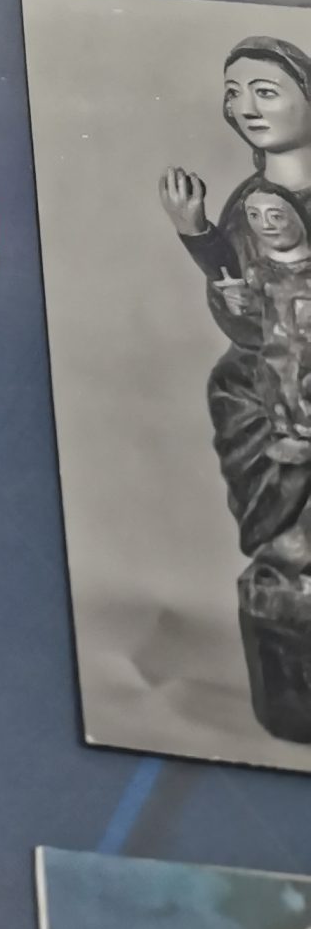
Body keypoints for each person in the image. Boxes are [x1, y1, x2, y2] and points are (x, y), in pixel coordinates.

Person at [160, 40, 311, 565]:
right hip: (264, 365)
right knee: (235, 388)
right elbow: (236, 299)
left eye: (264, 92)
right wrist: (196, 232)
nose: (245, 108)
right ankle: (284, 545)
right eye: (233, 93)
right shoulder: (249, 199)